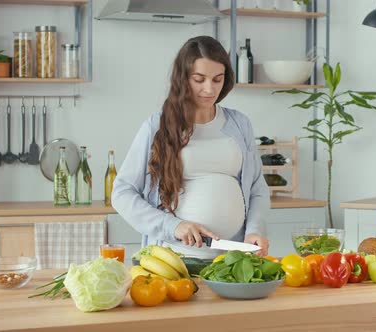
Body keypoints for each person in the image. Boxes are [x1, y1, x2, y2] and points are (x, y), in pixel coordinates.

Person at [112, 36, 270, 259]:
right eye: (199, 79)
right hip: (174, 258)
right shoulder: (157, 126)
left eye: (217, 79)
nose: (209, 89)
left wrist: (255, 230)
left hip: (232, 260)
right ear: (183, 79)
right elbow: (122, 192)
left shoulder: (239, 124)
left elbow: (257, 189)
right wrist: (173, 226)